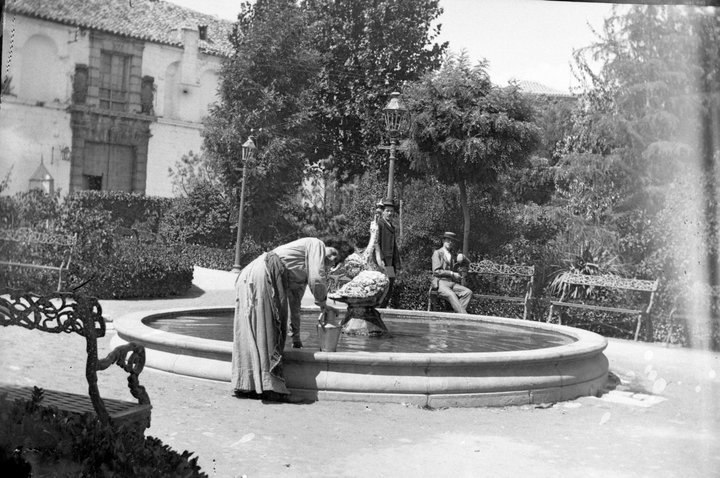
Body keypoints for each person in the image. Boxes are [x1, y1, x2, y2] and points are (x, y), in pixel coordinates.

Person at [231, 236, 355, 402]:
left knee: (254, 329)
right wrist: (323, 303)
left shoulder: (296, 272)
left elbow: (294, 306)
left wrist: (295, 337)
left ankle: (248, 385)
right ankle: (270, 388)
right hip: (265, 273)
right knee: (270, 329)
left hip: (249, 274)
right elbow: (317, 279)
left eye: (335, 261)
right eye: (333, 256)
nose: (333, 258)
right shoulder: (316, 244)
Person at [431, 232, 472, 314]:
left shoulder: (453, 255)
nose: (450, 242)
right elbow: (436, 271)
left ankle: (457, 317)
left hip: (452, 283)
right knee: (451, 295)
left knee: (468, 292)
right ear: (443, 241)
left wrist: (463, 257)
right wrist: (452, 273)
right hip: (440, 283)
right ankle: (465, 317)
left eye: (452, 241)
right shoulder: (437, 253)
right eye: (448, 240)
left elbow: (469, 264)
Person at [376, 199, 401, 307]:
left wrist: (398, 263)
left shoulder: (392, 227)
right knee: (382, 284)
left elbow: (394, 246)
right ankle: (379, 307)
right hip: (383, 261)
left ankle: (384, 307)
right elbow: (376, 242)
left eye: (391, 211)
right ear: (383, 212)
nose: (390, 213)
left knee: (390, 283)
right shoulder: (380, 224)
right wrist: (380, 258)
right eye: (387, 211)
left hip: (391, 263)